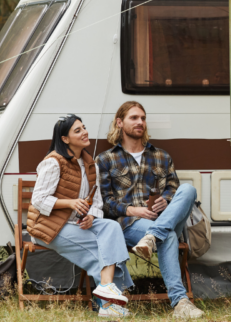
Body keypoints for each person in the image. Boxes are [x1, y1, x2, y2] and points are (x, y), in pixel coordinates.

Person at [98, 101, 204, 320]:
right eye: (134, 118)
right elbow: (105, 203)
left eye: (143, 118)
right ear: (120, 122)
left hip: (165, 218)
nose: (140, 123)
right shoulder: (106, 159)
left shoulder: (162, 156)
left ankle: (153, 236)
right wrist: (133, 211)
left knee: (188, 189)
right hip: (129, 225)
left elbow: (173, 189)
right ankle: (181, 302)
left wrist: (166, 200)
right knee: (169, 236)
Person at [28, 114, 133, 318]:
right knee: (101, 246)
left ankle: (106, 293)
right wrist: (69, 203)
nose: (85, 132)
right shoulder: (53, 162)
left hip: (74, 224)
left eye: (84, 127)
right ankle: (107, 302)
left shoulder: (89, 163)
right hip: (48, 226)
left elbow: (97, 201)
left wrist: (92, 216)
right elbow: (38, 200)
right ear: (65, 139)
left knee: (111, 228)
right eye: (77, 130)